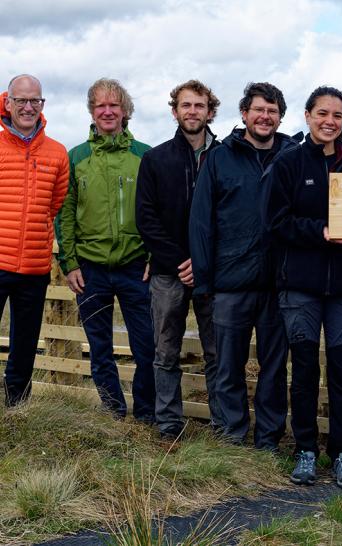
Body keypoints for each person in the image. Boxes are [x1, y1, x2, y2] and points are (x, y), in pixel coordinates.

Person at [264, 86, 342, 489]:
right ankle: (305, 450)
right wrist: (321, 231)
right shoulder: (288, 163)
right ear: (307, 116)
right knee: (304, 370)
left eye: (337, 115)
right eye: (322, 113)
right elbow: (276, 222)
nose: (329, 121)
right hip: (300, 286)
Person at [189, 82, 296, 450]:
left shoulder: (292, 157)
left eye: (272, 110)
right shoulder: (220, 158)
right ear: (244, 114)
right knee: (228, 366)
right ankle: (232, 437)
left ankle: (268, 439)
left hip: (279, 282)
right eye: (258, 110)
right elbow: (201, 222)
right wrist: (204, 282)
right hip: (230, 281)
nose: (265, 117)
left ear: (280, 117)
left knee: (274, 367)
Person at [56, 78, 155, 422]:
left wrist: (154, 256)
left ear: (125, 111)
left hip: (135, 267)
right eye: (101, 105)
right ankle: (113, 412)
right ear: (92, 111)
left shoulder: (145, 156)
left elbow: (162, 210)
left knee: (147, 348)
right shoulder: (77, 158)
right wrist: (69, 263)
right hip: (91, 269)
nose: (108, 111)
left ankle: (145, 417)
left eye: (114, 105)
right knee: (100, 349)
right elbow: (64, 213)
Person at [135, 80, 221, 440]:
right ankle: (169, 424)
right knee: (166, 350)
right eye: (186, 105)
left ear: (210, 111)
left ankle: (222, 425)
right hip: (170, 273)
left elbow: (231, 215)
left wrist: (204, 261)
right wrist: (183, 260)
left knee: (217, 352)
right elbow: (146, 219)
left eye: (199, 105)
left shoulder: (224, 156)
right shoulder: (156, 159)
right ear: (175, 111)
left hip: (213, 273)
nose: (192, 112)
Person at [0, 75, 68, 406]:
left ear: (42, 105)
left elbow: (54, 205)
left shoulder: (57, 153)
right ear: (8, 102)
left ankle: (17, 408)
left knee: (24, 344)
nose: (28, 107)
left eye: (35, 101)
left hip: (35, 266)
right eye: (22, 100)